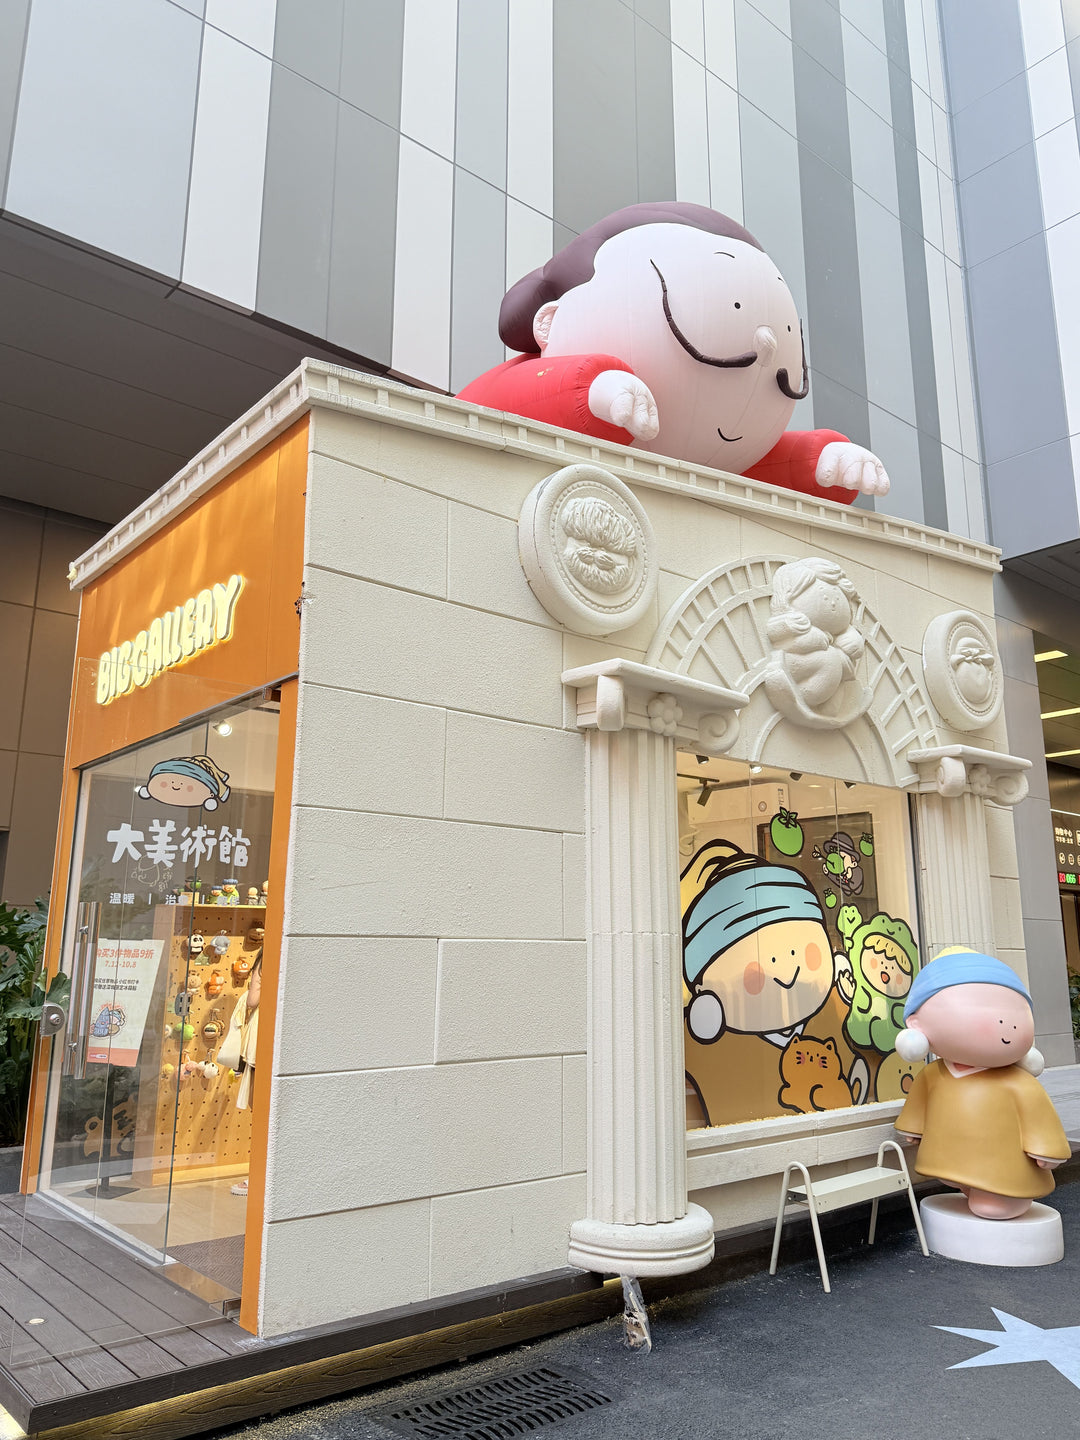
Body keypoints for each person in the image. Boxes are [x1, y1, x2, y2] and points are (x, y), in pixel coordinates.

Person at [458, 201, 890, 502]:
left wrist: (822, 459)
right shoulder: (522, 375)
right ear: (549, 323)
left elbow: (756, 466)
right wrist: (590, 388)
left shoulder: (728, 450)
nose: (767, 342)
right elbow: (493, 402)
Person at [894, 948, 1070, 1218]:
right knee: (955, 1176)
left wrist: (1047, 1149)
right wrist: (914, 1127)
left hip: (1002, 1165)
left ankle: (1003, 1196)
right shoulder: (933, 1074)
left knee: (993, 1199)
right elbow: (920, 1101)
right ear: (915, 1024)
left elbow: (1040, 1119)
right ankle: (968, 1185)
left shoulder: (1018, 1082)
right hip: (948, 1155)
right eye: (981, 1006)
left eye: (1017, 1010)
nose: (1006, 1023)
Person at [230, 949, 261, 1199]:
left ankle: (258, 1177)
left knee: (260, 1110)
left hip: (261, 1038)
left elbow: (252, 1000)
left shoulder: (266, 958)